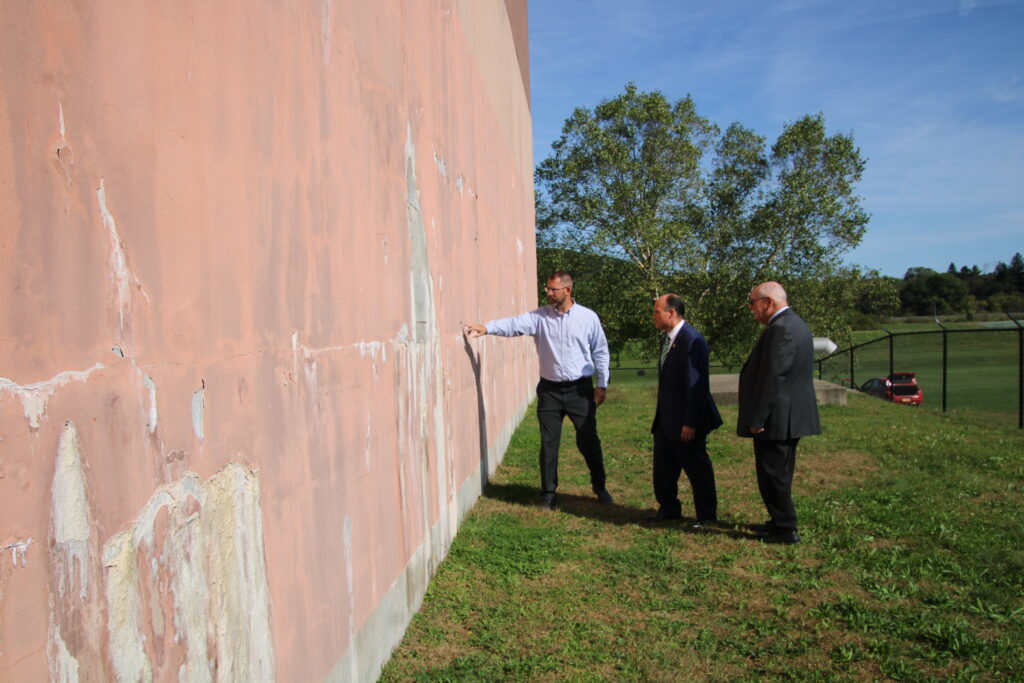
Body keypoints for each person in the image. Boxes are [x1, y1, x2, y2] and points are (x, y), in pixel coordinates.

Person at [463, 271, 613, 510]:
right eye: (547, 288)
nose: (548, 293)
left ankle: (600, 486)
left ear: (568, 290)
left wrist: (602, 384)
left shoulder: (588, 318)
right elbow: (513, 324)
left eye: (553, 289)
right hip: (550, 391)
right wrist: (487, 328)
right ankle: (549, 494)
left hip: (580, 390)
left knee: (588, 441)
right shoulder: (539, 317)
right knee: (549, 443)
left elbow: (601, 351)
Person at [737, 282, 821, 545]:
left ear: (768, 302)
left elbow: (775, 377)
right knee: (776, 472)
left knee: (774, 474)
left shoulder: (783, 328)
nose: (751, 309)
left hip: (779, 417)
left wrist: (758, 417)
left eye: (752, 303)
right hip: (785, 415)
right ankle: (777, 522)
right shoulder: (792, 324)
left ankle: (786, 529)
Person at [647, 294, 722, 526]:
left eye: (657, 312)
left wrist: (690, 422)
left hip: (686, 421)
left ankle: (706, 516)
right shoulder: (668, 339)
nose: (653, 317)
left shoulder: (692, 341)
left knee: (697, 469)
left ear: (671, 313)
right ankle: (668, 508)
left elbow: (697, 386)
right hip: (666, 419)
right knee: (664, 468)